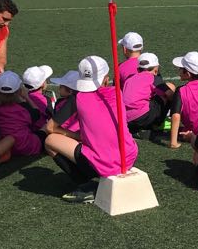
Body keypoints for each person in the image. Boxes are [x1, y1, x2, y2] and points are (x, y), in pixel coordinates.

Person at [45, 56, 139, 203]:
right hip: (128, 156)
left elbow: (50, 127)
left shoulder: (77, 98)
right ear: (106, 79)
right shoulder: (117, 92)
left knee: (50, 141)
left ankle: (86, 185)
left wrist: (76, 135)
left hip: (102, 162)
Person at [0, 71, 45, 157]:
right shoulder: (24, 109)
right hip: (26, 145)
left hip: (4, 147)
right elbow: (37, 113)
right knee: (45, 128)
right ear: (19, 91)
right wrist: (26, 97)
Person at [169, 51, 198, 147]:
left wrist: (173, 142)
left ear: (188, 74)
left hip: (192, 131)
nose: (179, 71)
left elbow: (176, 116)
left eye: (181, 69)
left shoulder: (181, 90)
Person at [123, 52, 175, 134]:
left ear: (138, 69)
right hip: (143, 118)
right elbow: (170, 95)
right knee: (170, 87)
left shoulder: (129, 80)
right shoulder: (153, 78)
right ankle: (156, 124)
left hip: (127, 120)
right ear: (155, 70)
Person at [22, 65, 55, 130]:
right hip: (40, 133)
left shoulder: (21, 97)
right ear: (42, 83)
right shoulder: (46, 100)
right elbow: (52, 119)